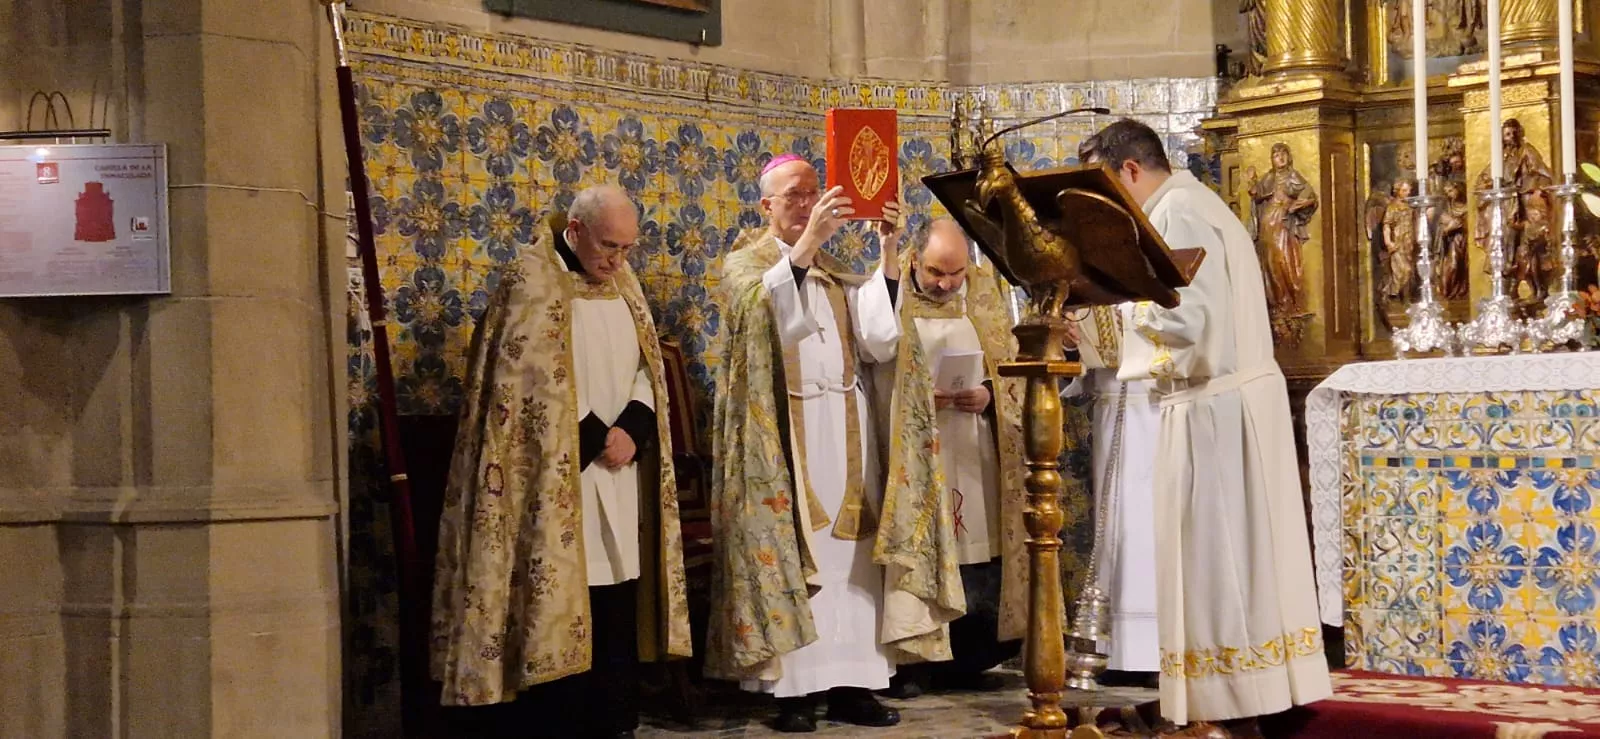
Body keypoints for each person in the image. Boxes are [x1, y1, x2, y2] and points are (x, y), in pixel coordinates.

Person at [1085, 119, 1332, 732]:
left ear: (1130, 171)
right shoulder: (1196, 204)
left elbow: (1183, 321)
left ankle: (1223, 706)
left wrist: (1117, 312)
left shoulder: (1176, 214)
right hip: (1223, 404)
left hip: (1213, 412)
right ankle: (1235, 695)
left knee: (1216, 564)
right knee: (1237, 562)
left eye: (1106, 188)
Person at [430, 185, 693, 739]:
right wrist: (597, 436)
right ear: (574, 230)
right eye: (608, 246)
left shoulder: (625, 284)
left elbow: (646, 368)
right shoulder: (530, 281)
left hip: (619, 467)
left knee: (616, 587)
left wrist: (633, 428)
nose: (617, 260)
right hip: (555, 475)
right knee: (560, 591)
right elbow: (523, 384)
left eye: (627, 248)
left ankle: (614, 718)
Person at [706, 154, 951, 733]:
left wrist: (888, 249)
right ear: (766, 205)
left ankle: (854, 685)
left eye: (814, 192)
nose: (807, 202)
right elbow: (767, 318)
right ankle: (794, 692)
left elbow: (880, 341)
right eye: (793, 194)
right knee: (796, 552)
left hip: (846, 422)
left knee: (855, 556)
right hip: (783, 437)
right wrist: (808, 243)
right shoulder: (744, 266)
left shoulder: (837, 273)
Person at [878, 218, 1027, 698]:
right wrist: (917, 396)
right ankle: (915, 661)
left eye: (955, 273)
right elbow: (874, 369)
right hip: (913, 453)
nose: (946, 284)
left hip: (974, 448)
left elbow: (1010, 368)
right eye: (935, 273)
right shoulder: (887, 293)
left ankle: (972, 656)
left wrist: (988, 393)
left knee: (978, 550)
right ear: (915, 259)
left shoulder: (982, 296)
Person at [1062, 135, 1163, 688]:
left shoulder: (1164, 223)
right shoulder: (1088, 241)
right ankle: (1116, 645)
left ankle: (1157, 646)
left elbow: (1168, 309)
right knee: (1115, 522)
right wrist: (1073, 338)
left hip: (1157, 401)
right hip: (1111, 398)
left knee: (1151, 520)